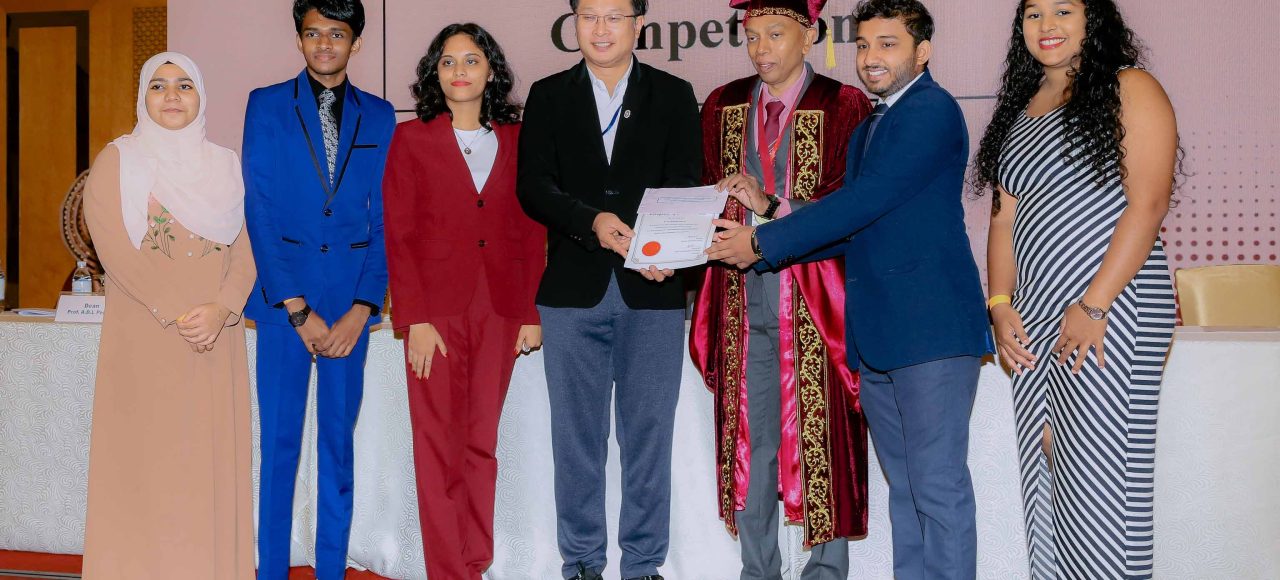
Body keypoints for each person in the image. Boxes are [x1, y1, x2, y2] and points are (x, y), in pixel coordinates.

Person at [707, 1, 993, 578]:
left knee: (936, 488)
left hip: (931, 331)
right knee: (907, 491)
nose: (870, 58)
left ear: (923, 52)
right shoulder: (869, 128)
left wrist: (761, 244)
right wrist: (767, 217)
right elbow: (849, 229)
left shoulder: (930, 110)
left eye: (888, 44)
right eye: (863, 45)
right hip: (879, 337)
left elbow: (864, 202)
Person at [972, 0, 1179, 577]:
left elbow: (1148, 204)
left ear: (1095, 19)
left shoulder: (1130, 87)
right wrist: (999, 304)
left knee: (1101, 480)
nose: (1048, 26)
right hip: (1036, 314)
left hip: (1112, 307)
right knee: (1048, 470)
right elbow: (1004, 221)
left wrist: (1094, 304)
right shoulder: (1022, 108)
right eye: (1034, 13)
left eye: (1064, 10)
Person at [515, 0, 701, 577]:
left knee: (649, 436)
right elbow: (533, 186)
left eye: (614, 16)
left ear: (639, 24)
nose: (600, 28)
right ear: (574, 22)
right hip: (573, 291)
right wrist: (589, 221)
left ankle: (643, 564)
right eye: (589, 15)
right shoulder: (548, 95)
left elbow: (685, 183)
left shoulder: (673, 94)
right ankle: (581, 562)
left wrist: (665, 251)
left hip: (653, 291)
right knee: (576, 440)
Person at [690, 1, 872, 578]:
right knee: (750, 439)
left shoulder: (842, 104)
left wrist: (773, 208)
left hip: (816, 296)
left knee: (825, 435)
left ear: (809, 34)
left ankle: (827, 570)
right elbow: (702, 196)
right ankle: (758, 569)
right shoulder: (722, 105)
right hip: (739, 299)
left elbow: (849, 202)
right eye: (752, 36)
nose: (761, 48)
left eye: (776, 34)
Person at [81, 51, 256, 579]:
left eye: (184, 85)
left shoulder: (226, 164)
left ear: (201, 96)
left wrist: (223, 308)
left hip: (215, 339)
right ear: (143, 97)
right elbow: (114, 250)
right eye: (158, 86)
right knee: (145, 469)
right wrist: (181, 313)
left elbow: (248, 247)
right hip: (146, 338)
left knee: (205, 467)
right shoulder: (119, 160)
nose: (172, 95)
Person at [382, 22, 545, 580]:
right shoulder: (412, 139)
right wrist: (415, 319)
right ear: (435, 73)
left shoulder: (518, 139)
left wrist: (530, 312)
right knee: (437, 445)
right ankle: (447, 569)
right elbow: (399, 233)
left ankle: (475, 561)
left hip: (500, 308)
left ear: (491, 70)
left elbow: (531, 231)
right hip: (435, 312)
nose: (459, 71)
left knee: (481, 441)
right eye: (448, 61)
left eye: (471, 60)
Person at [241, 1, 395, 578]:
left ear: (355, 42)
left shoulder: (380, 115)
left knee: (337, 446)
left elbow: (385, 218)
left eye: (337, 33)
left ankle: (331, 568)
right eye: (313, 33)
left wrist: (363, 307)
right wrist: (297, 308)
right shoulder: (266, 105)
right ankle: (271, 572)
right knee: (279, 448)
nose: (324, 44)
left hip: (351, 308)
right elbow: (259, 208)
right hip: (285, 306)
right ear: (299, 40)